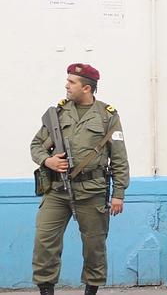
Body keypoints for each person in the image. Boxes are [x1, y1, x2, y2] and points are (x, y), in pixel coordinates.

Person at [30, 63, 130, 295]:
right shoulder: (58, 114)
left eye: (72, 82)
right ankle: (46, 290)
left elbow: (119, 158)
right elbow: (36, 145)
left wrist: (118, 194)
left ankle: (91, 290)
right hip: (56, 190)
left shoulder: (107, 117)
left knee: (94, 246)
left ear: (87, 88)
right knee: (44, 242)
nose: (66, 85)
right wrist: (48, 161)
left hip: (92, 191)